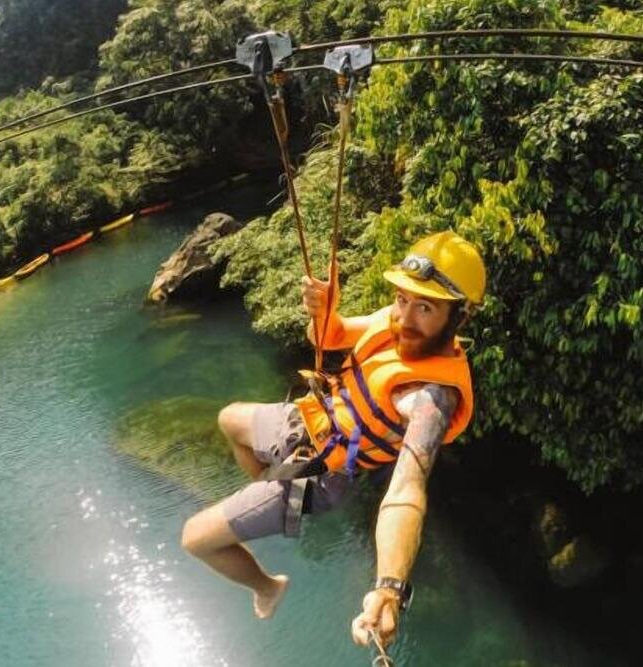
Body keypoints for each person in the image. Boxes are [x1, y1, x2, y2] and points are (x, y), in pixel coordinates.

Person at [181, 231, 486, 647]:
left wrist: (389, 588)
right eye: (403, 299)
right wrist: (324, 313)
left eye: (425, 307)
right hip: (308, 420)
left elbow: (407, 491)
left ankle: (267, 585)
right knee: (229, 418)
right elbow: (329, 337)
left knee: (196, 539)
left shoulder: (430, 397)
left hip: (322, 472)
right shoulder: (395, 319)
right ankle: (266, 499)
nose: (405, 318)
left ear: (460, 316)